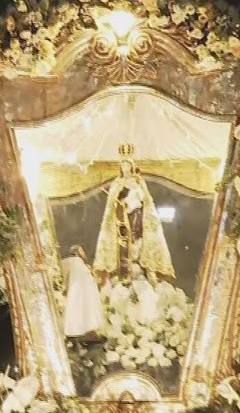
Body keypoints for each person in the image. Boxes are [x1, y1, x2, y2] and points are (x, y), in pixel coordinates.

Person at [93, 142, 175, 283]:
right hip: (120, 219)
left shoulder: (138, 181)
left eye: (128, 165)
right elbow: (111, 201)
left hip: (136, 214)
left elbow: (145, 199)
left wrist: (135, 201)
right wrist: (119, 202)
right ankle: (123, 273)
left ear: (131, 166)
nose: (125, 168)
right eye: (123, 165)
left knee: (137, 240)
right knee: (123, 243)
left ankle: (144, 270)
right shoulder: (117, 183)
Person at [61, 245, 105, 338]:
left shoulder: (70, 263)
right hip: (79, 294)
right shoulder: (79, 264)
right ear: (78, 253)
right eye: (82, 251)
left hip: (75, 294)